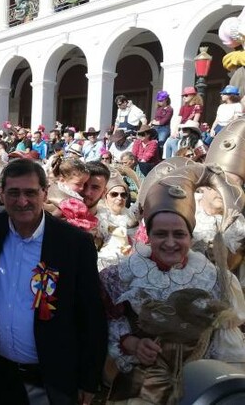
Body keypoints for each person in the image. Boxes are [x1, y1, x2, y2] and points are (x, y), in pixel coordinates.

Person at [100, 166, 245, 403]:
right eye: (160, 234)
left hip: (196, 386)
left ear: (190, 236)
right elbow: (111, 319)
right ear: (149, 236)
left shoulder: (215, 279)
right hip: (141, 387)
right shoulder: (122, 274)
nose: (170, 242)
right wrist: (132, 343)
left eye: (179, 234)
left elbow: (226, 342)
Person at [0, 158, 108, 404]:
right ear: (1, 194)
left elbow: (91, 315)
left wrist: (89, 378)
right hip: (0, 371)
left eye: (30, 192)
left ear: (45, 193)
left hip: (53, 378)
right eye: (13, 193)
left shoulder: (74, 243)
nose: (22, 201)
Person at [163, 86, 203, 159]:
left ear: (193, 95)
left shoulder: (197, 106)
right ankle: (167, 161)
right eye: (183, 96)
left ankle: (180, 158)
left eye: (186, 95)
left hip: (190, 129)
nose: (184, 97)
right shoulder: (183, 107)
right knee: (168, 142)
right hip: (181, 129)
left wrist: (187, 129)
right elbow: (179, 119)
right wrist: (175, 131)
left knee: (172, 142)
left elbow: (195, 121)